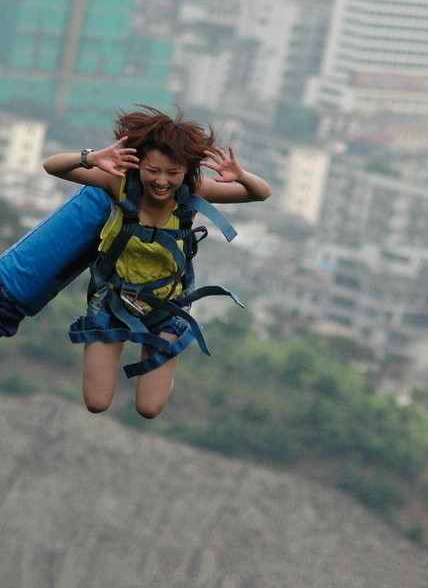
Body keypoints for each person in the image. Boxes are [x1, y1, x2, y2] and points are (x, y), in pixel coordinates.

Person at [43, 106, 271, 419]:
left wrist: (240, 176)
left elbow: (261, 193)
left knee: (149, 408)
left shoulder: (192, 192)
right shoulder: (119, 183)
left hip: (166, 307)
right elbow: (51, 166)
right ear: (139, 165)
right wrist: (91, 158)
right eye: (153, 171)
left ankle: (165, 372)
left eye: (172, 174)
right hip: (112, 299)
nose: (162, 181)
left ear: (186, 172)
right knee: (96, 402)